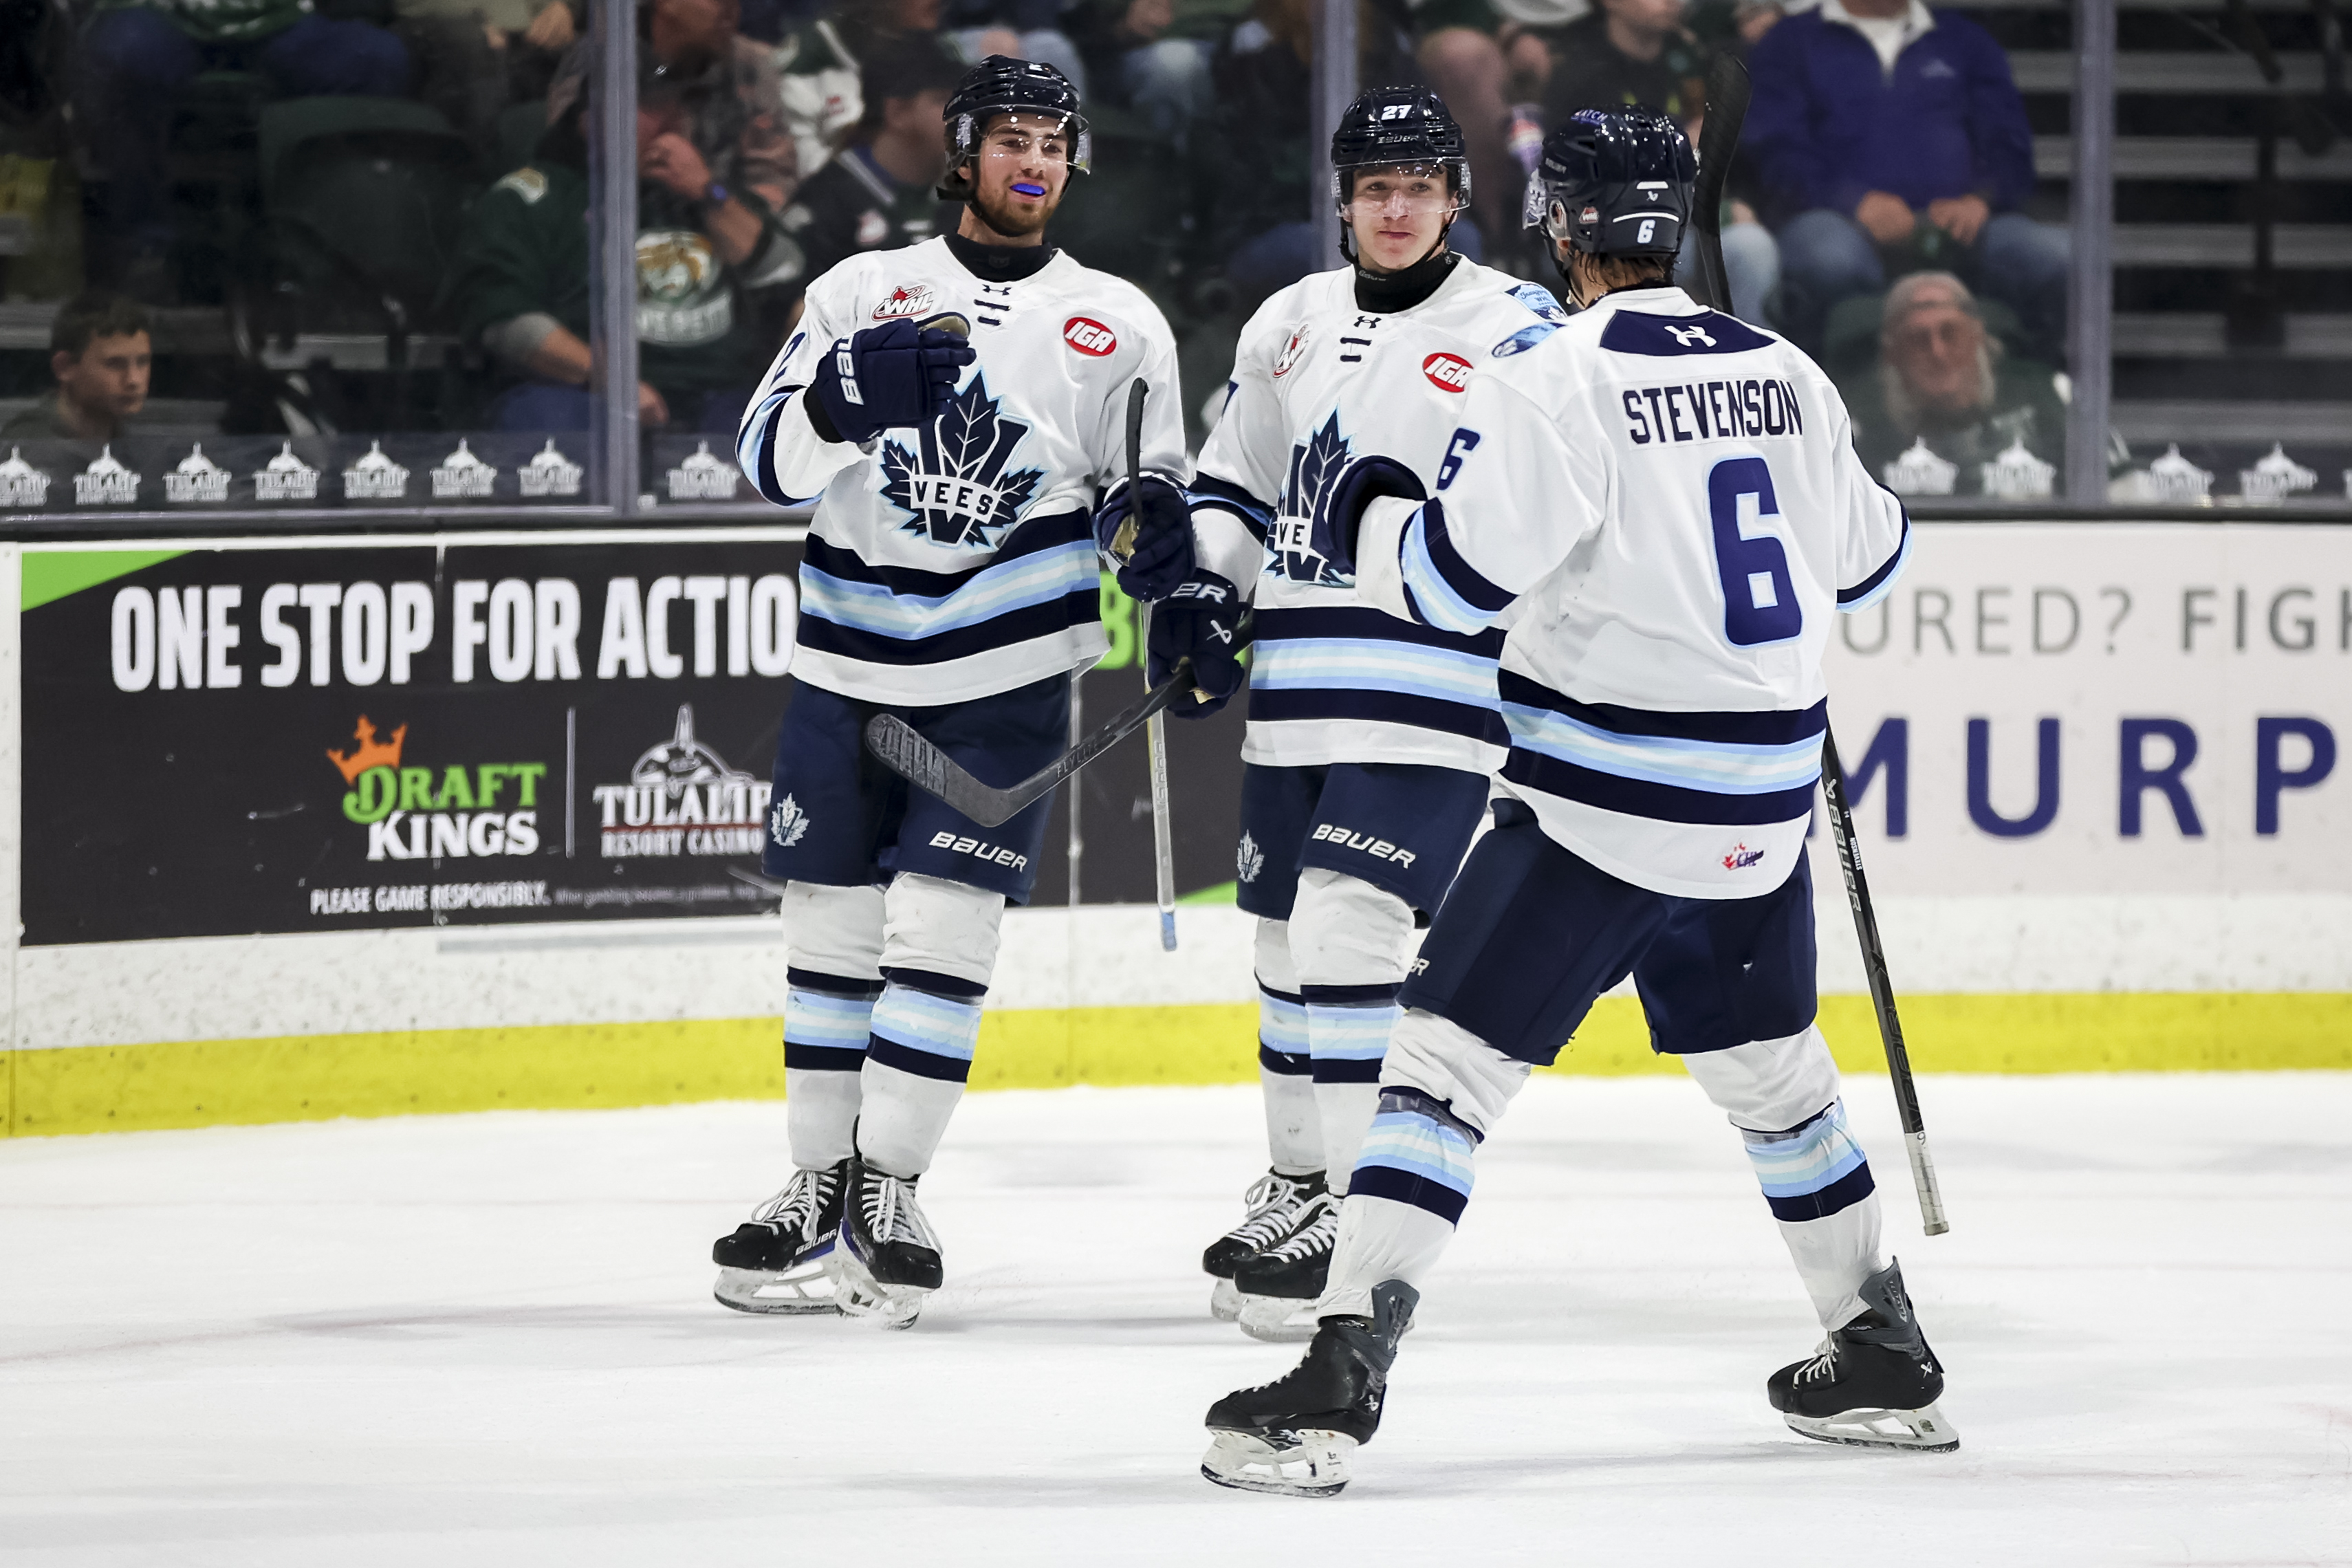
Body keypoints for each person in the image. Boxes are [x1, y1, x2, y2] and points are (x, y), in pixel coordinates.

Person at [1199, 108, 1948, 1498]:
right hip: (1759, 810)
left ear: (1559, 226)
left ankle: (1342, 1367)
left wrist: (1372, 513)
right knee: (1774, 1074)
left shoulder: (1554, 375)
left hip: (1606, 804)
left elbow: (1449, 589)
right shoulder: (1784, 368)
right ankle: (1881, 1341)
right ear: (1673, 228)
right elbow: (1874, 564)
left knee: (1438, 1073)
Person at [717, 58, 1187, 1327]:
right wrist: (839, 396)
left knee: (942, 932)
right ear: (964, 151)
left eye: (1055, 142)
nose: (1035, 161)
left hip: (1003, 678)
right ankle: (815, 1185)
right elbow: (767, 461)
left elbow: (1154, 501)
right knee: (830, 940)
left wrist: (1161, 552)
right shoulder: (862, 290)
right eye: (1013, 138)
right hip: (846, 666)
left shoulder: (1121, 322)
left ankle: (893, 1188)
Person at [1157, 87, 1563, 1344]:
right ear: (1342, 200)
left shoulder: (1521, 330)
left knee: (1345, 941)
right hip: (1295, 702)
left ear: (1457, 199)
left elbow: (1552, 503)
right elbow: (1234, 481)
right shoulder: (1288, 322)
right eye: (1376, 188)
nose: (1397, 209)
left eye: (1421, 187)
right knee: (1283, 949)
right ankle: (1298, 1183)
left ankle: (1351, 1213)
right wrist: (1199, 587)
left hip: (1434, 698)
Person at [459, 0, 801, 432]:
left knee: (781, 429)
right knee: (544, 419)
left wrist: (709, 194)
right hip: (585, 396)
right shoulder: (532, 198)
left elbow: (784, 271)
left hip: (718, 395)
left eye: (675, 105)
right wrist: (611, 379)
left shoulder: (701, 193)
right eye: (653, 107)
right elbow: (505, 321)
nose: (673, 119)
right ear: (593, 120)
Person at [1743, 0, 2064, 353]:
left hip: (1957, 228)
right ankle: (1841, 395)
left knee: (2052, 258)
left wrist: (1979, 199)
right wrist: (1854, 202)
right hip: (1838, 221)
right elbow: (1775, 149)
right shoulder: (1789, 41)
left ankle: (2033, 393)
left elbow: (2010, 143)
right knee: (1830, 260)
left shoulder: (1964, 39)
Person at [74, 0, 411, 295]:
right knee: (123, 53)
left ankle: (331, 253)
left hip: (280, 22)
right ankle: (147, 246)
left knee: (381, 61)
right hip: (161, 17)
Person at [1536, 0, 1778, 324]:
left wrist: (1734, 203)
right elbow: (1573, 183)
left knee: (1751, 246)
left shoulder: (1695, 61)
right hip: (1609, 230)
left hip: (1694, 221)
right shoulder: (1579, 74)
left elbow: (1739, 160)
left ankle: (1749, 362)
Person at [1841, 270, 2066, 495]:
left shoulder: (2032, 399)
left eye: (1950, 333)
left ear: (1977, 336)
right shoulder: (1860, 429)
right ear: (1893, 353)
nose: (1937, 352)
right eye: (1918, 339)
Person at [774, 40, 966, 294]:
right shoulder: (825, 206)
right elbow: (796, 321)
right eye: (945, 100)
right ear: (897, 113)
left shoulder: (971, 195)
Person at [3, 293, 153, 442]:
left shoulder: (139, 446)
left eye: (143, 362)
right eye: (114, 364)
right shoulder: (25, 448)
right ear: (64, 367)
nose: (134, 380)